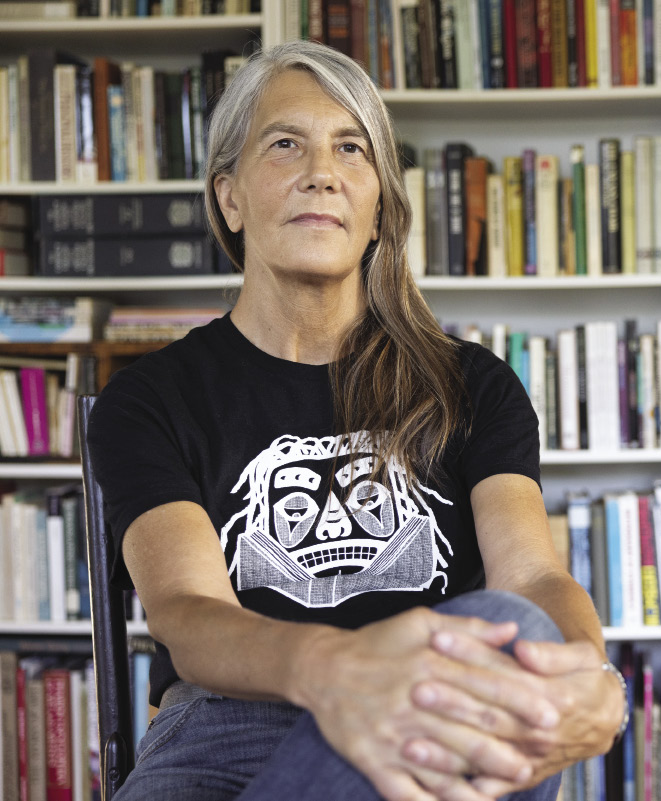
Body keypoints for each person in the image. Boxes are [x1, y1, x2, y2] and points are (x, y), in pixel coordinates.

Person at [86, 39, 626, 801]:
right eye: (284, 145)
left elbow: (533, 575)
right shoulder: (150, 397)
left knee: (524, 633)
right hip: (225, 733)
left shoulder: (472, 385)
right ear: (229, 197)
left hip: (431, 715)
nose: (322, 172)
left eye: (350, 148)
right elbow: (187, 611)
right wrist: (337, 672)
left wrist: (591, 675)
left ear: (377, 207)